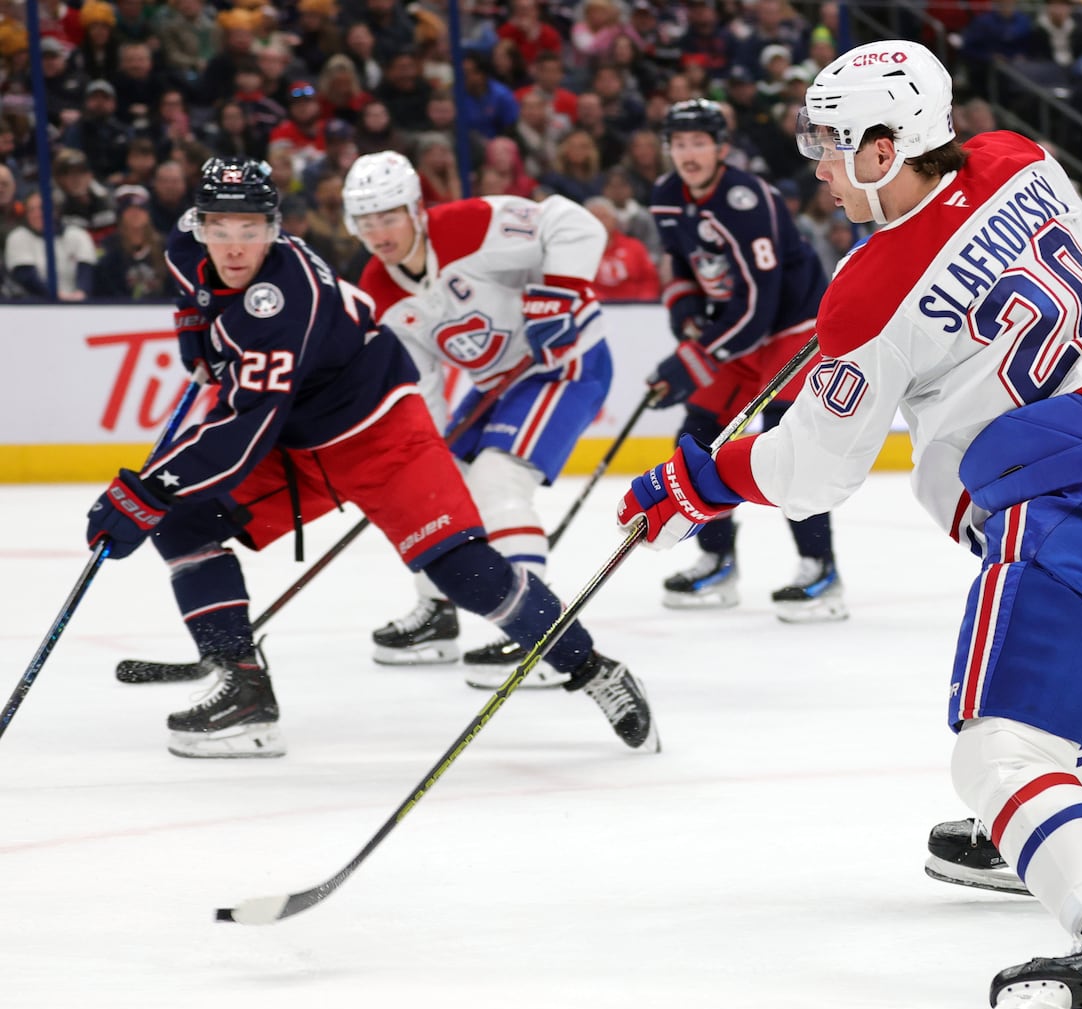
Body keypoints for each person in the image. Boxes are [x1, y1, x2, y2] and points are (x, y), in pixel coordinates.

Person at [618, 41, 1082, 1009]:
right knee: (1075, 672)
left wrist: (698, 475)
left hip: (1071, 498)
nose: (814, 159)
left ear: (889, 143)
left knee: (996, 751)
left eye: (830, 138)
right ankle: (1030, 826)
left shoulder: (868, 285)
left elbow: (815, 467)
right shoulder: (1019, 157)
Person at [83, 157, 655, 758]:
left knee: (460, 570)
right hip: (301, 442)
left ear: (275, 228)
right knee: (185, 521)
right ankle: (244, 691)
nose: (234, 246)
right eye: (220, 228)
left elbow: (241, 435)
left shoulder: (284, 300)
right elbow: (193, 288)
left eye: (250, 230)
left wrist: (145, 489)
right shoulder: (185, 243)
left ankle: (592, 668)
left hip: (382, 435)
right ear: (199, 224)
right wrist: (193, 326)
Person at [343, 150, 618, 689]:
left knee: (497, 481)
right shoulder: (379, 291)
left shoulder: (469, 225)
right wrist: (425, 453)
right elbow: (419, 385)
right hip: (500, 385)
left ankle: (541, 637)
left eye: (389, 215)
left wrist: (561, 291)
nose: (380, 232)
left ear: (416, 209)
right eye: (367, 221)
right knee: (431, 489)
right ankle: (439, 609)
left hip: (566, 362)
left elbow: (573, 222)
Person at [645, 98, 846, 622]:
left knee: (789, 449)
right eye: (679, 143)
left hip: (791, 330)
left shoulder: (745, 199)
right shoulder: (667, 196)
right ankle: (715, 560)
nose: (688, 153)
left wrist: (692, 359)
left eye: (698, 142)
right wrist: (684, 304)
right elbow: (680, 263)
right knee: (694, 441)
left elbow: (759, 306)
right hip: (736, 333)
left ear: (721, 148)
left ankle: (820, 570)